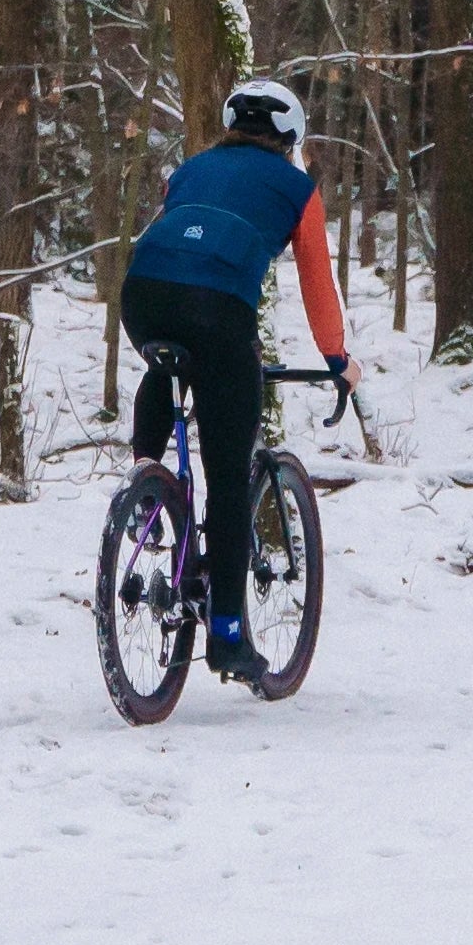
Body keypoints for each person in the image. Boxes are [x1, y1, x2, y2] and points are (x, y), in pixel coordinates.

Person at [120, 77, 348, 690]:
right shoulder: (298, 190)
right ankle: (225, 634)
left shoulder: (189, 170)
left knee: (163, 364)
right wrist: (336, 360)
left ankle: (145, 485)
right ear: (291, 138)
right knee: (226, 474)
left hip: (142, 297)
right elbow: (317, 284)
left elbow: (177, 241)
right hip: (219, 310)